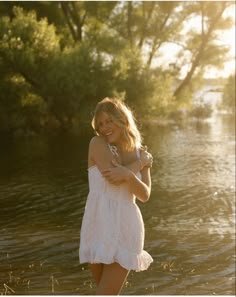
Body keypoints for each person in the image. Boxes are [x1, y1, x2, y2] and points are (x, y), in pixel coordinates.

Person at [79, 97, 153, 295]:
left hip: (125, 226)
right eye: (100, 124)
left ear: (122, 120)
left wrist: (133, 170)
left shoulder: (140, 153)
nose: (104, 128)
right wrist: (138, 167)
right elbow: (114, 176)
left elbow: (144, 194)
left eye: (109, 121)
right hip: (98, 224)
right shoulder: (97, 143)